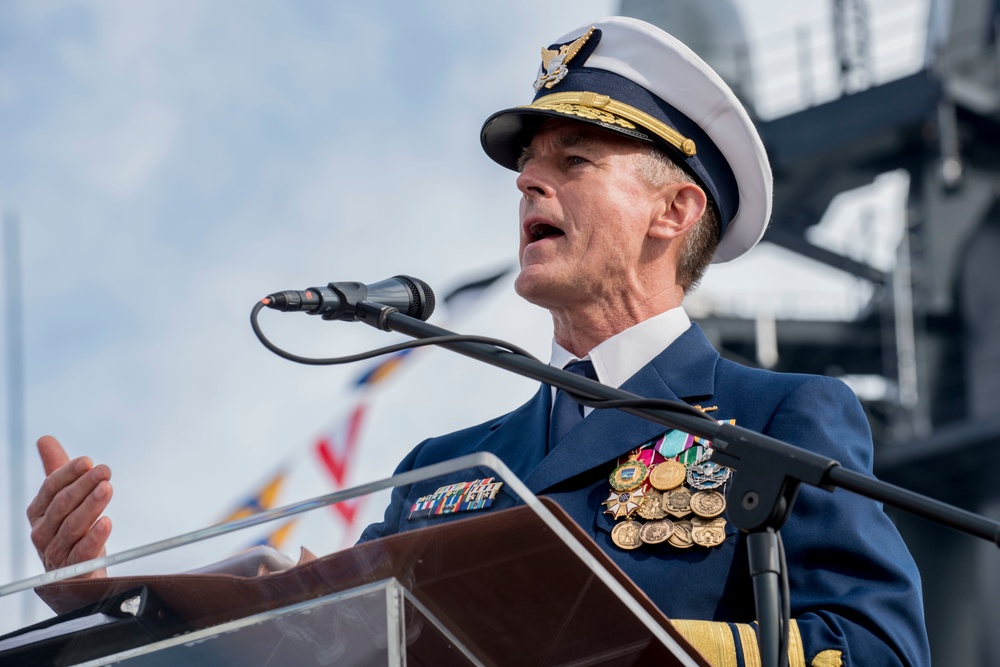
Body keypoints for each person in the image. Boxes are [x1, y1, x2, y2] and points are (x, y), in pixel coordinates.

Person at [27, 17, 929, 667]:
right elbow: (314, 641)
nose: (531, 183)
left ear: (674, 209)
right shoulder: (443, 465)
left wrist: (620, 645)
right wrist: (100, 597)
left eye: (573, 162)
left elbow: (881, 650)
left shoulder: (775, 417)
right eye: (528, 170)